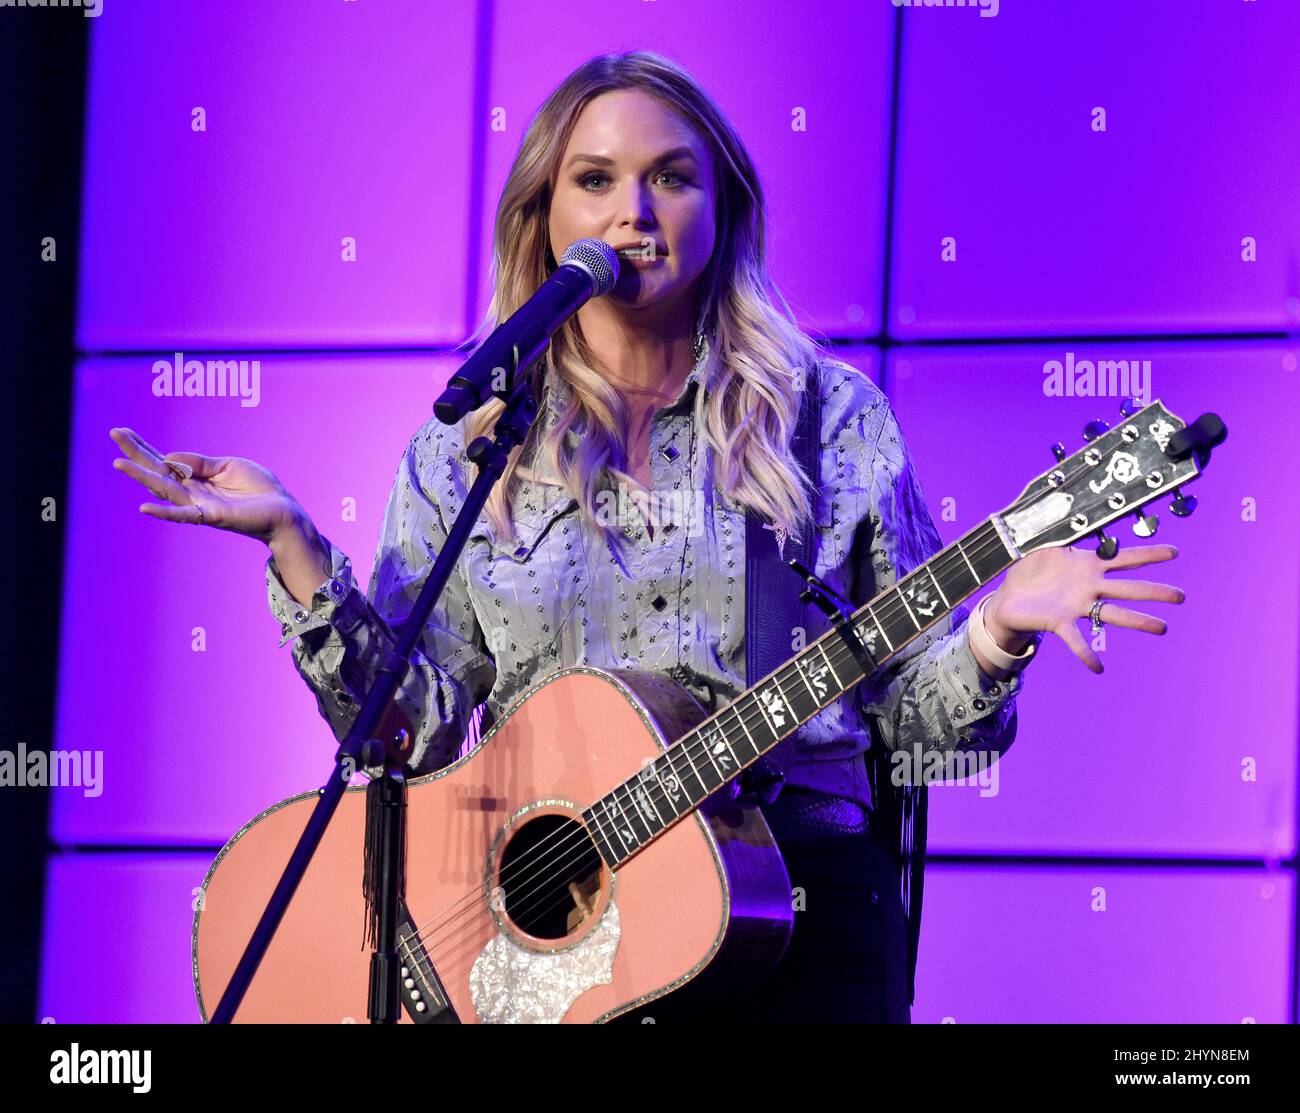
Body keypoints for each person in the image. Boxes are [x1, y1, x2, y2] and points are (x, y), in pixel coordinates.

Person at [109, 50, 1186, 1023]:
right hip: (547, 954)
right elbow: (412, 741)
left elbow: (919, 735)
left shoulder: (826, 420)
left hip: (792, 921)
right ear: (544, 215)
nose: (634, 209)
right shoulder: (471, 443)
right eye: (595, 179)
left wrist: (997, 629)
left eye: (671, 177)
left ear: (722, 208)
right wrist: (295, 548)